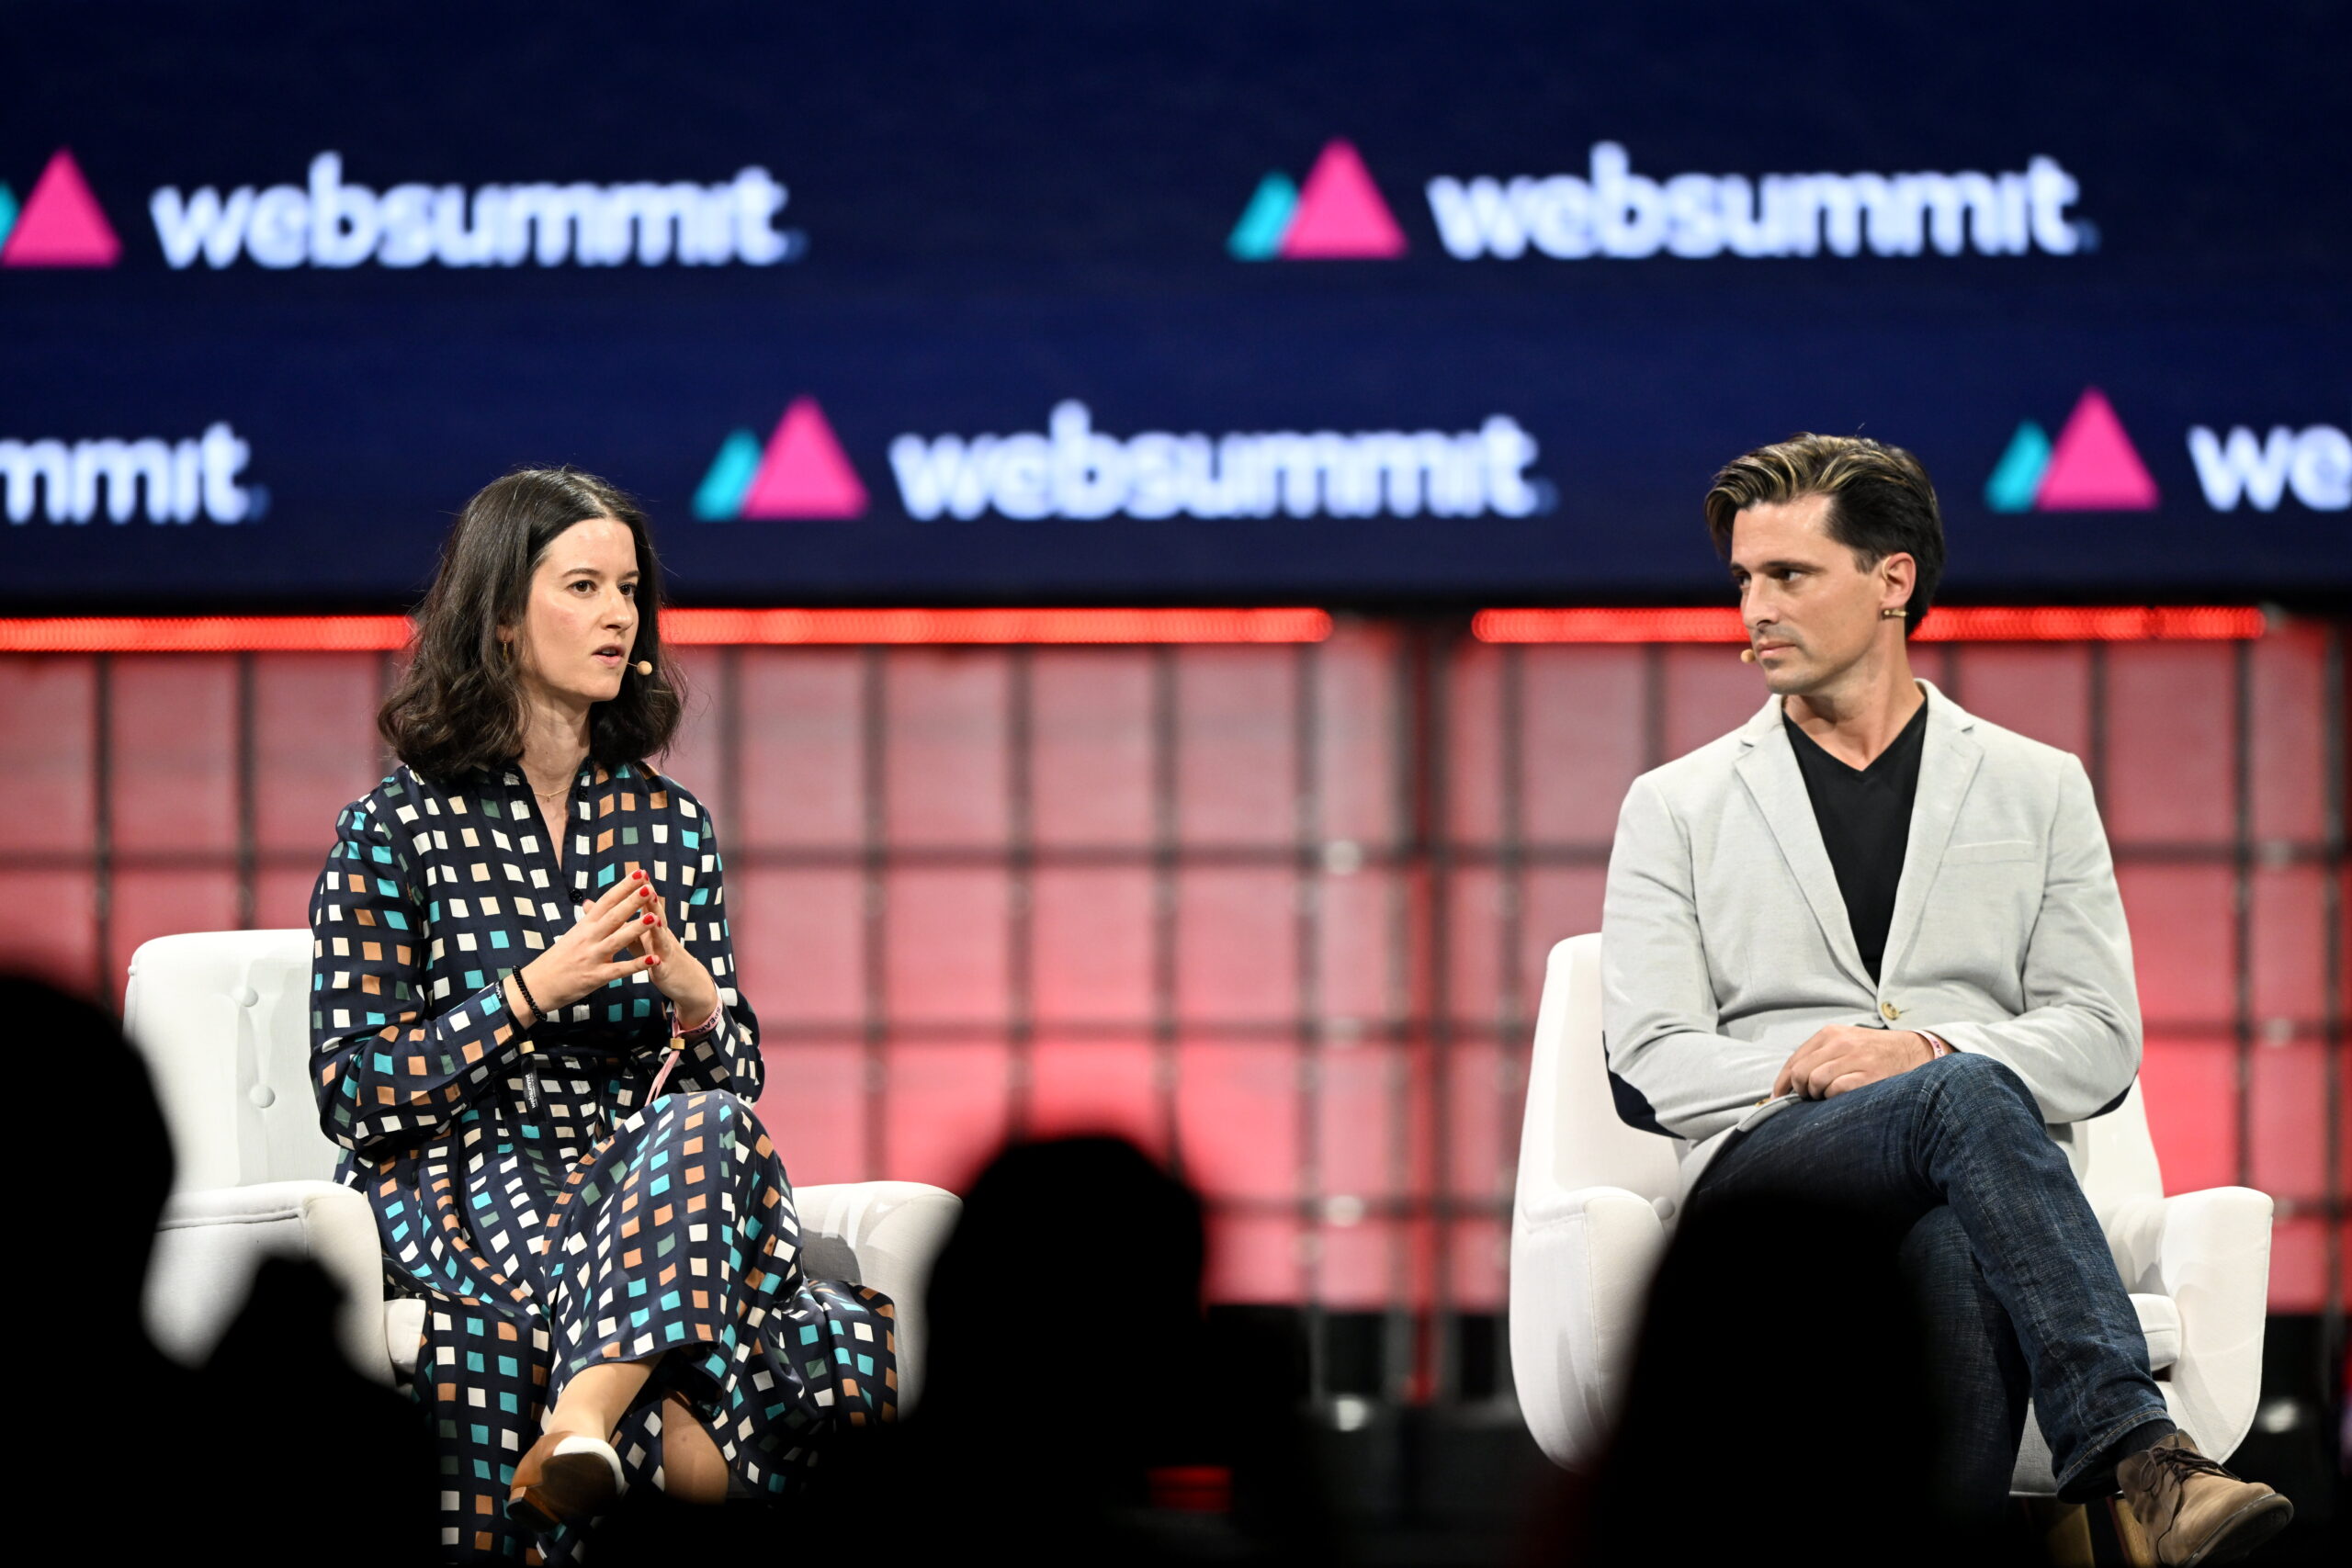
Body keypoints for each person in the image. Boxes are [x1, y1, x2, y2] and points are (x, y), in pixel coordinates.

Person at [1598, 434, 2291, 1563]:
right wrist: (1815, 1064)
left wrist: (1921, 1049)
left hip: (1966, 1180)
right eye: (1743, 581)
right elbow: (1647, 1059)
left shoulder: (2037, 786)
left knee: (1956, 1244)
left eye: (1787, 575)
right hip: (1774, 1174)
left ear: (1891, 580)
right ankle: (2142, 1460)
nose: (1752, 609)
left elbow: (2101, 1038)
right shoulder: (1674, 805)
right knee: (1959, 1092)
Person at [310, 468, 892, 1564]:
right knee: (781, 1335)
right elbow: (353, 1090)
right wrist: (533, 991)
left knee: (717, 1132)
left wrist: (700, 1004)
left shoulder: (670, 826)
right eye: (583, 586)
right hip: (465, 1170)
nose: (620, 615)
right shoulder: (395, 828)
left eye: (630, 588)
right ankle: (637, 1425)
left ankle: (581, 1425)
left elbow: (733, 1079)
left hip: (640, 1168)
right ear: (498, 616)